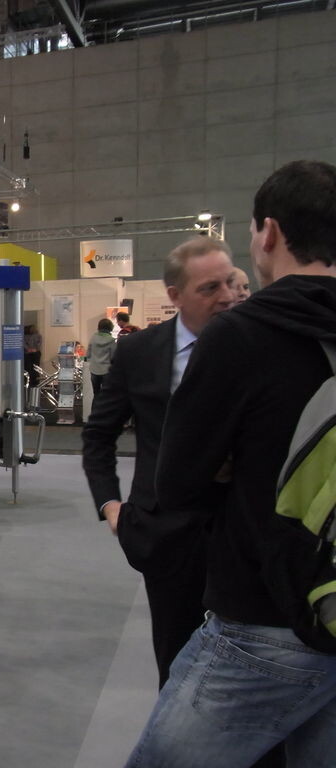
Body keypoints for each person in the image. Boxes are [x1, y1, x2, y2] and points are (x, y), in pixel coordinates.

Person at [126, 161, 336, 767]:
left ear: (269, 233)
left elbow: (179, 483)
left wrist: (235, 461)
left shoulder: (243, 335)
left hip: (266, 617)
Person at [82, 236, 236, 689]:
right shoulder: (139, 352)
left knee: (243, 661)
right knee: (176, 659)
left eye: (229, 282)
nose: (226, 296)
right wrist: (110, 505)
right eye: (210, 288)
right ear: (175, 295)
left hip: (243, 530)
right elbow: (99, 435)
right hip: (167, 535)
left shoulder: (254, 343)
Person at [86, 318, 116, 396]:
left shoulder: (93, 338)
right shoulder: (112, 341)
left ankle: (95, 404)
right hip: (106, 371)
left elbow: (88, 354)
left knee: (96, 393)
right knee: (106, 395)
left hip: (94, 370)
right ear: (110, 328)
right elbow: (113, 357)